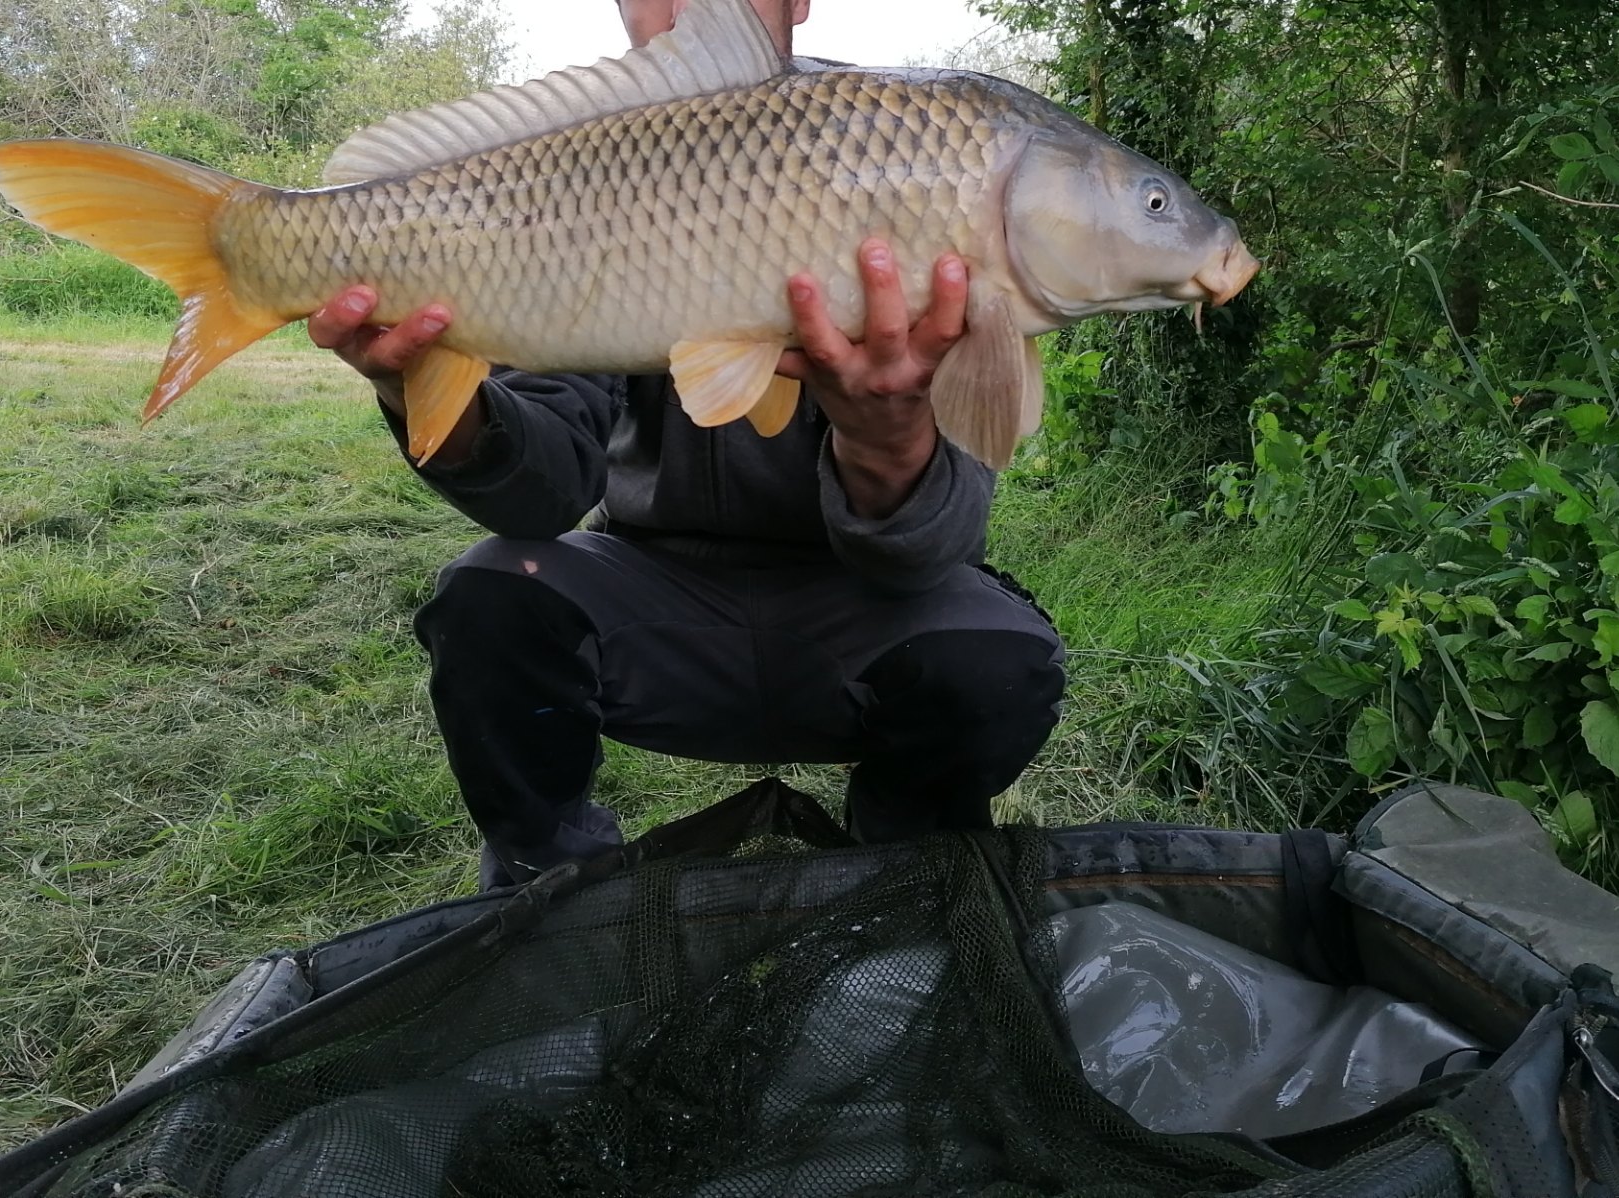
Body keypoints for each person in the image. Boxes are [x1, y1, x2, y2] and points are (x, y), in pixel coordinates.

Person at [306, 0, 1067, 889]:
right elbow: (536, 498)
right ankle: (547, 887)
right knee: (489, 595)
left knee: (995, 657)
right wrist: (409, 380)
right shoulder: (576, 163)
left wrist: (884, 432)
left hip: (862, 604)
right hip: (650, 593)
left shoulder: (922, 158)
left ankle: (903, 869)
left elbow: (932, 553)